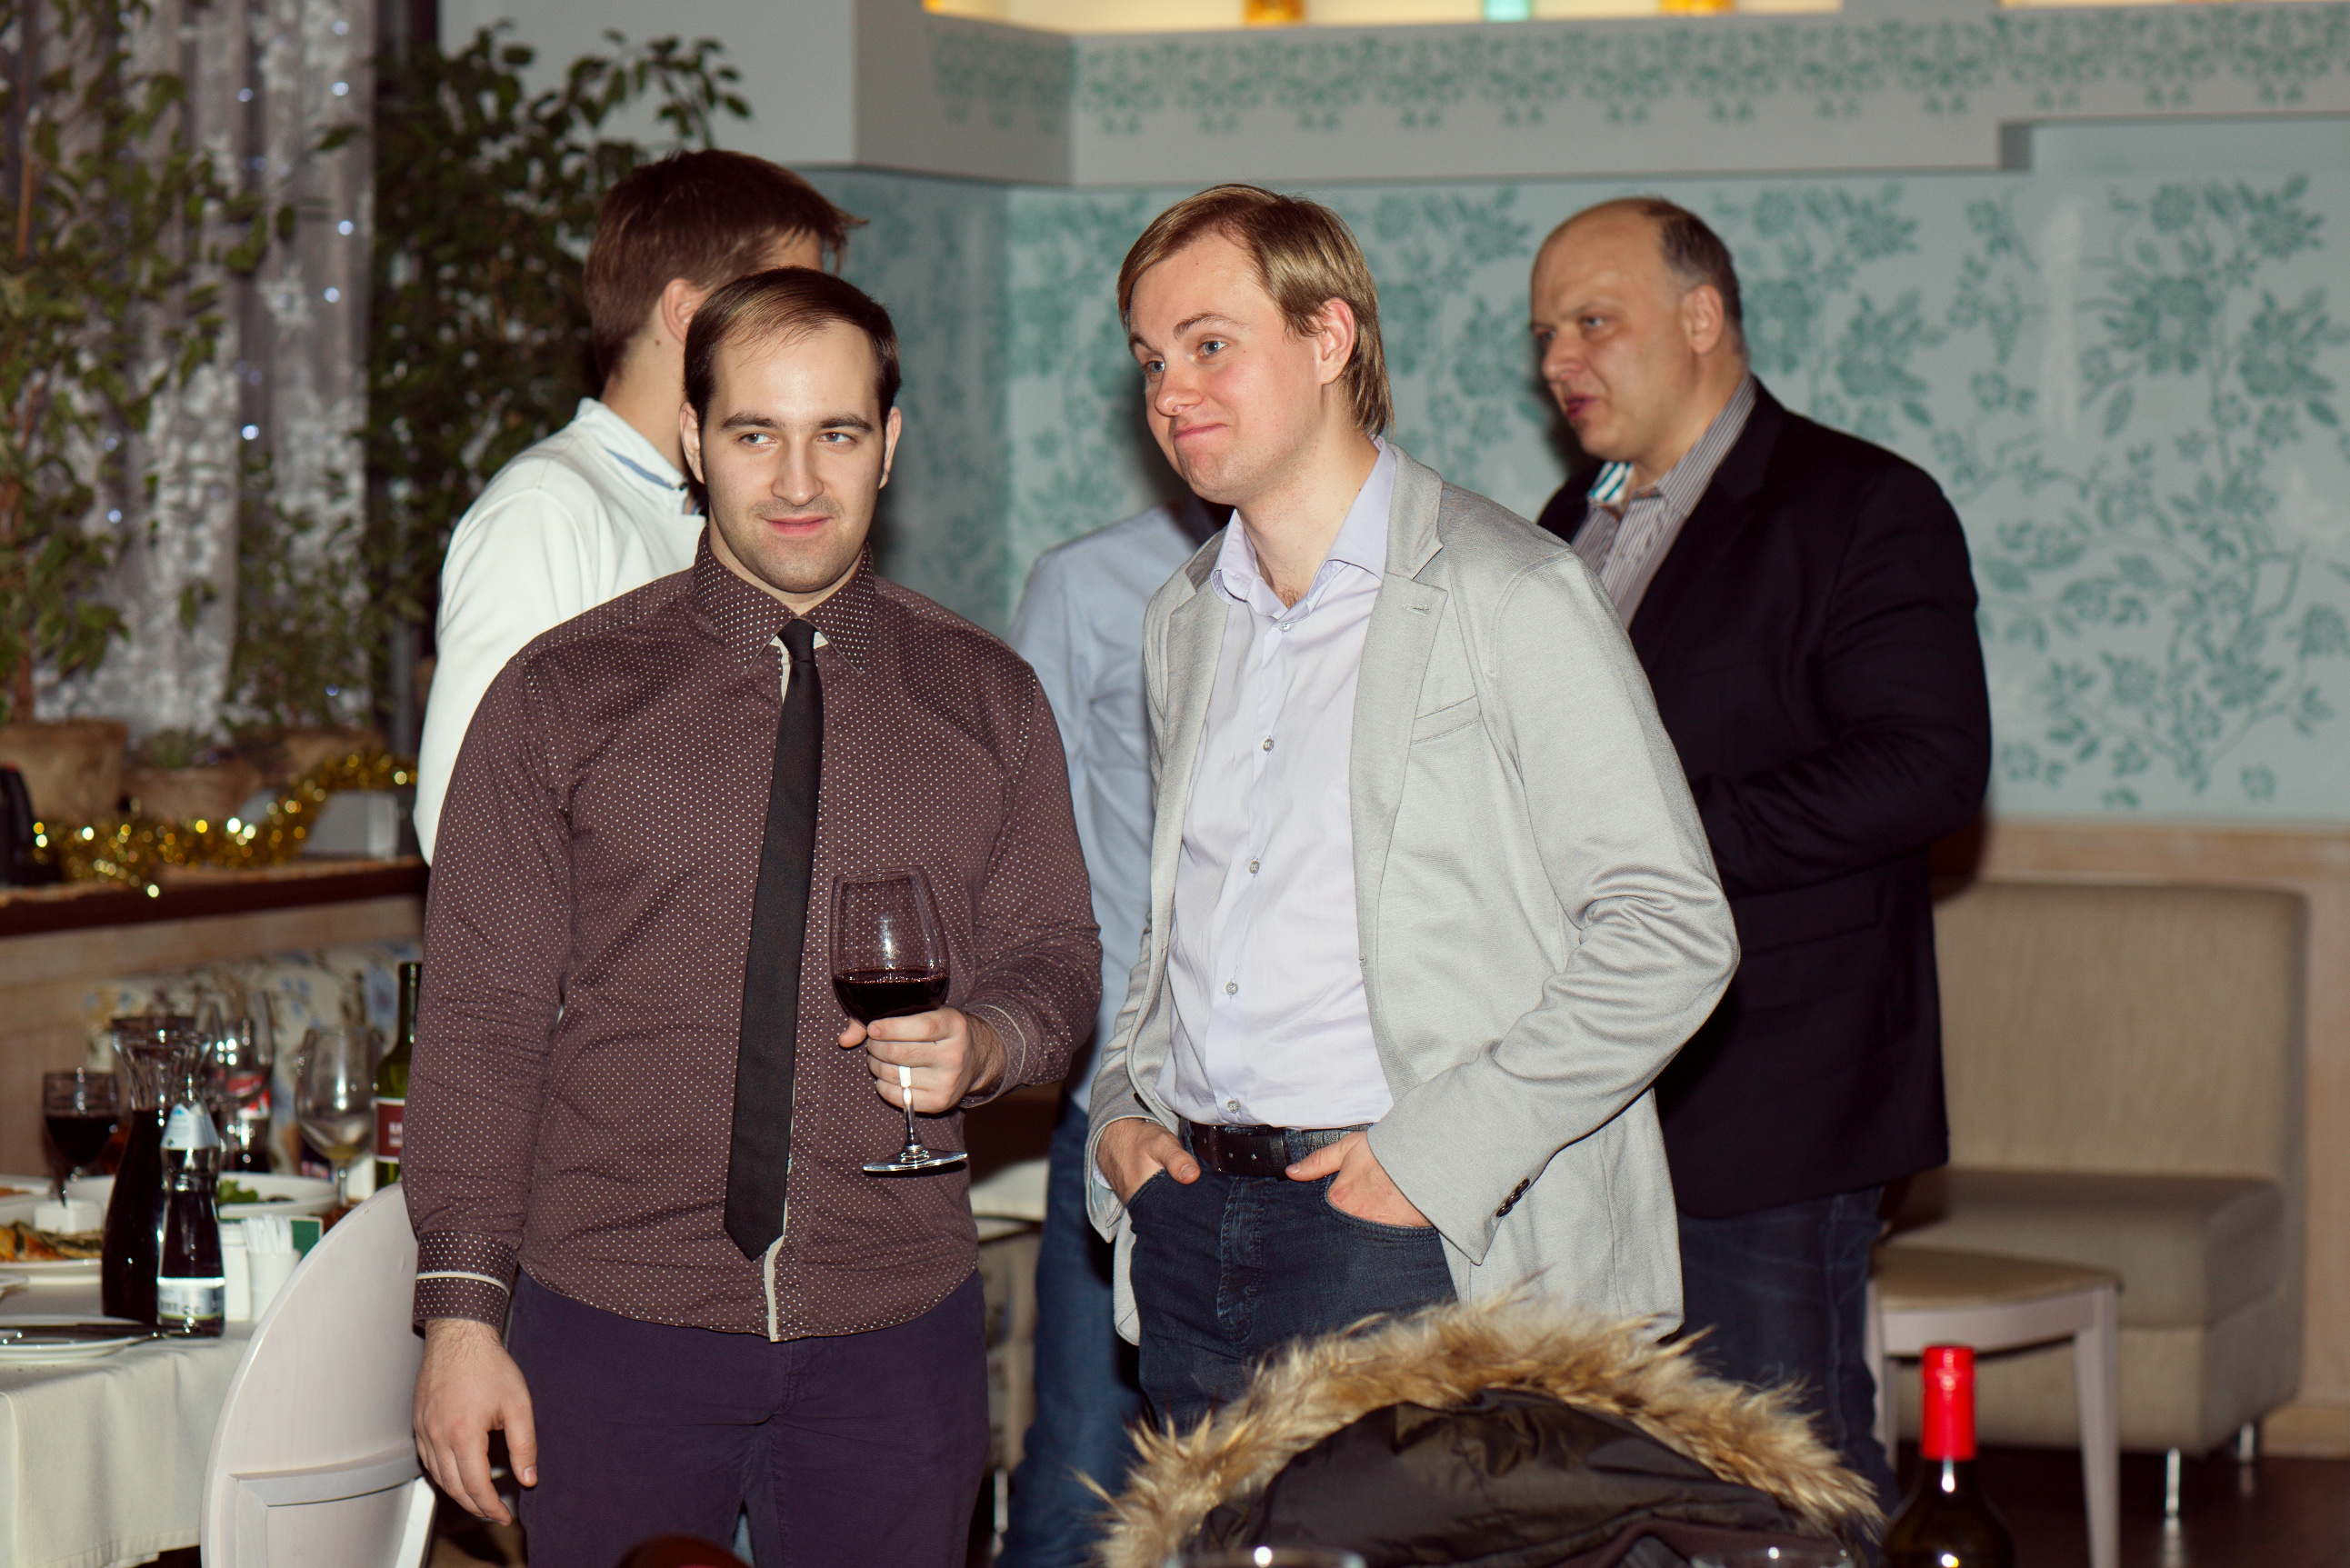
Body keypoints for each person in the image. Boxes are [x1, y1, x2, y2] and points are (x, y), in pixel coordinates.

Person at [403, 268, 1101, 1568]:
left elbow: (1058, 959)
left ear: (889, 443)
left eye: (835, 432)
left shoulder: (987, 699)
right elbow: (482, 1023)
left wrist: (990, 1042)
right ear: (691, 438)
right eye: (752, 433)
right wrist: (459, 1315)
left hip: (896, 1333)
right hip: (610, 1321)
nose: (796, 480)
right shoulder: (559, 696)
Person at [1085, 185, 1741, 1432]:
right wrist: (1120, 1112)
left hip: (1413, 1227)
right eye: (1151, 358)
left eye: (1210, 344)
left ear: (1327, 337)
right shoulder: (1183, 617)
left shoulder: (1510, 590)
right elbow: (1182, 928)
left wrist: (1432, 1160)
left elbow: (1671, 931)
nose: (1171, 390)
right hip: (1189, 1222)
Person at [1527, 196, 1992, 1510]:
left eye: (1591, 321)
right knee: (1616, 1474)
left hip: (1776, 1086)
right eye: (1544, 334)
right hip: (1585, 1081)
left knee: (1782, 1475)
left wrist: (1651, 846)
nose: (1559, 359)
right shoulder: (1569, 519)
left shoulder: (1858, 504)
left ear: (1701, 317)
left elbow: (1925, 765)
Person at [413, 149, 861, 861]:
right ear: (688, 312)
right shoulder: (547, 511)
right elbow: (467, 823)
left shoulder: (730, 516)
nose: (815, 334)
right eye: (787, 303)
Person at [998, 492, 1224, 1567]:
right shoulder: (1083, 583)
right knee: (1084, 1463)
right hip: (1123, 1104)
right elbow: (1009, 827)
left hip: (1305, 1125)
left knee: (1275, 1474)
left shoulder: (1348, 573)